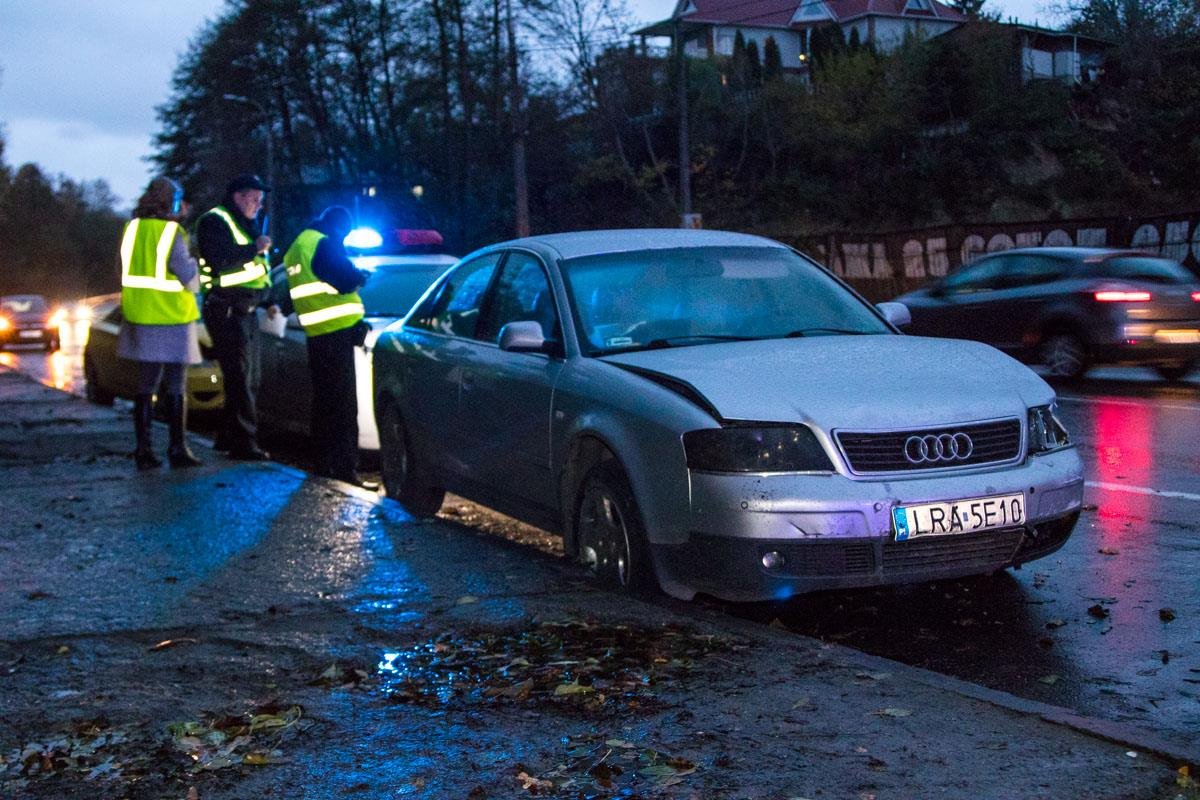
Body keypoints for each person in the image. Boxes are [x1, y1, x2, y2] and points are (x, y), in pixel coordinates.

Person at [281, 206, 372, 486]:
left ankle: (324, 464)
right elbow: (343, 278)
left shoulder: (298, 245)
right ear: (338, 227)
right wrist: (360, 275)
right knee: (344, 406)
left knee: (324, 404)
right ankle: (345, 469)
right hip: (337, 333)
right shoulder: (323, 242)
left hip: (317, 334)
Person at [117, 177, 204, 470]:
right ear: (173, 203)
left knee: (146, 385)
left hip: (139, 315)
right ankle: (177, 449)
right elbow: (188, 275)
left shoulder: (132, 229)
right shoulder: (172, 232)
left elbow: (121, 269)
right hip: (171, 317)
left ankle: (143, 449)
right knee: (176, 384)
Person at [196, 173, 275, 460]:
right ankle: (244, 442)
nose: (258, 205)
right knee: (240, 377)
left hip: (246, 311)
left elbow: (256, 273)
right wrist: (254, 248)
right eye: (254, 199)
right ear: (239, 196)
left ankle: (228, 436)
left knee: (247, 377)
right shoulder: (215, 221)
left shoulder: (249, 224)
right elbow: (220, 260)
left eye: (260, 200)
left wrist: (269, 300)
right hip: (227, 310)